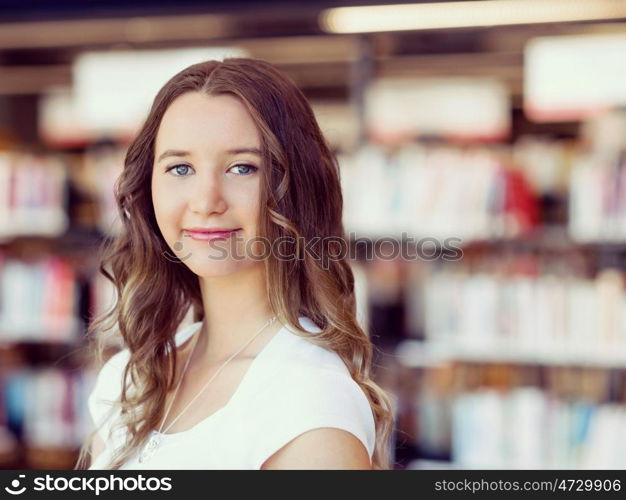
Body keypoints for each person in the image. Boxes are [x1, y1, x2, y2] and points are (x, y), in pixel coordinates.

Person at [75, 57, 394, 470]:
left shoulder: (309, 401)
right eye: (181, 168)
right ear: (146, 186)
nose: (207, 201)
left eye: (242, 167)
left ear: (296, 188)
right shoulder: (127, 378)